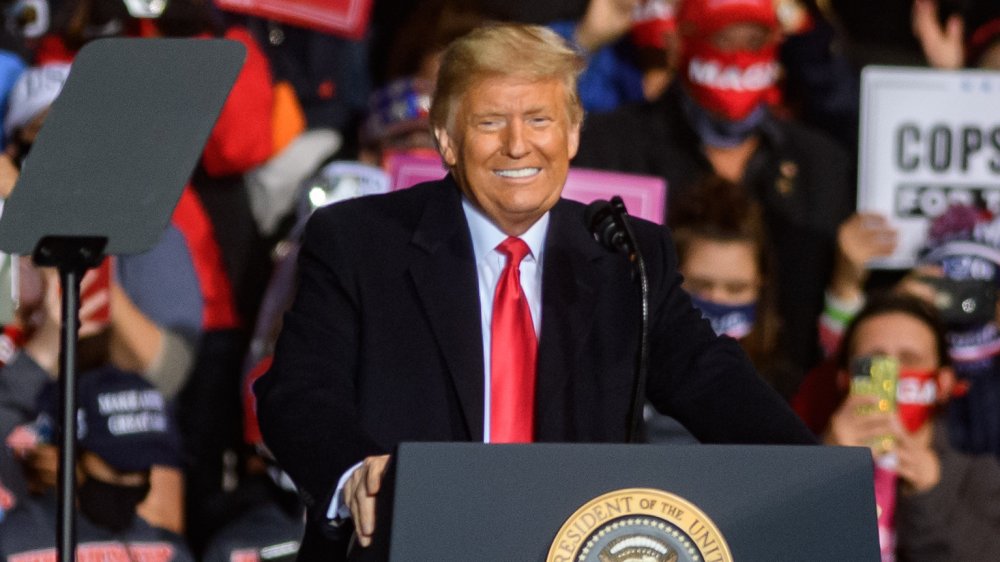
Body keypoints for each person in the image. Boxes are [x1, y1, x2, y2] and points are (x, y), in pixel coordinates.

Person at [253, 23, 816, 561]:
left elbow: (712, 380)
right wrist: (355, 474)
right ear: (447, 140)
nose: (518, 146)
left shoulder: (625, 255)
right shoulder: (359, 242)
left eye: (540, 119)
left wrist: (817, 479)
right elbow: (298, 390)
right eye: (491, 122)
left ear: (572, 133)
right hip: (412, 545)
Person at [573, 0, 856, 383]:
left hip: (781, 404)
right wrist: (582, 42)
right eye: (721, 39)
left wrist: (848, 280)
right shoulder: (609, 146)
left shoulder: (821, 164)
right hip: (641, 400)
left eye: (753, 40)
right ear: (678, 42)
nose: (738, 54)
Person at [822, 293, 1000, 561]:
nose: (892, 374)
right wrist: (824, 468)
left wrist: (930, 493)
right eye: (874, 361)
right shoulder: (799, 467)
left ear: (943, 382)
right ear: (844, 379)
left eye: (909, 359)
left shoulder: (978, 479)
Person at [0, 366, 194, 562]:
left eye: (144, 469)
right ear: (65, 456)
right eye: (120, 467)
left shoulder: (167, 548)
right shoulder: (10, 544)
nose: (133, 481)